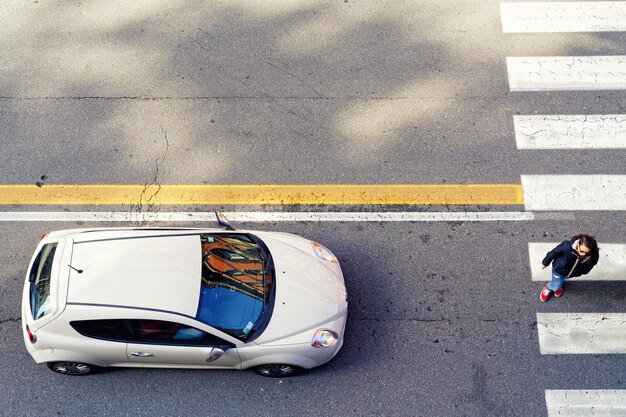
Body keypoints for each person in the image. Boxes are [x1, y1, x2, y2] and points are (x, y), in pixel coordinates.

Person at [540, 234, 599, 302]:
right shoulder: (567, 246)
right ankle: (550, 287)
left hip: (572, 273)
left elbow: (591, 265)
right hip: (559, 269)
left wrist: (587, 261)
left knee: (561, 280)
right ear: (578, 245)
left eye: (587, 253)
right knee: (556, 283)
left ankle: (557, 286)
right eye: (582, 251)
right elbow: (553, 253)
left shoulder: (593, 255)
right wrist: (545, 263)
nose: (583, 254)